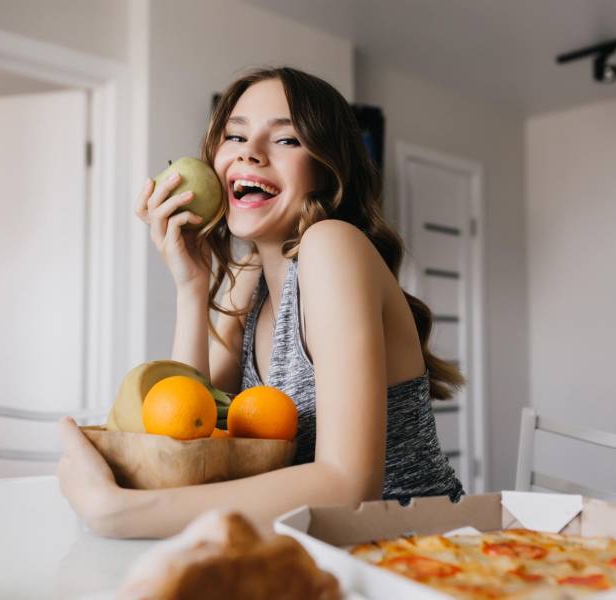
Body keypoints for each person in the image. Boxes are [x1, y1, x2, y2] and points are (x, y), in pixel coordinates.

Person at [57, 67, 464, 539]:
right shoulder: (250, 279)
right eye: (235, 135)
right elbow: (190, 437)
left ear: (326, 170)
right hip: (313, 547)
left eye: (287, 140)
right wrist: (191, 288)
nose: (249, 152)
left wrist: (120, 511)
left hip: (424, 552)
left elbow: (351, 485)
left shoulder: (333, 245)